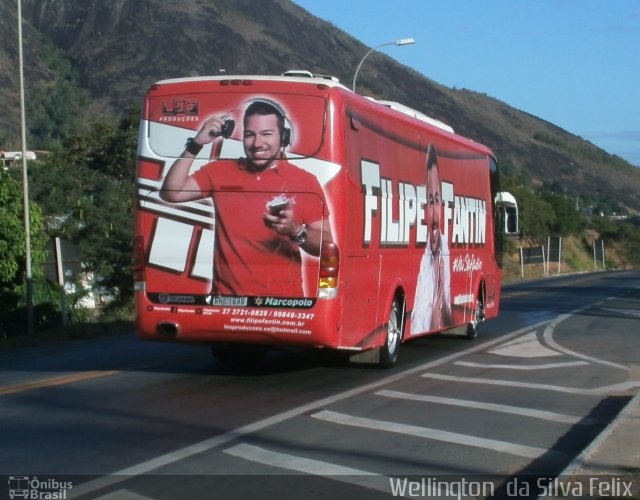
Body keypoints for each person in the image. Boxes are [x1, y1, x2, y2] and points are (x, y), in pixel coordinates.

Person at [160, 100, 333, 297]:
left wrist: (296, 231)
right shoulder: (219, 171)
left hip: (283, 308)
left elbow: (326, 245)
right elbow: (171, 192)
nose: (257, 143)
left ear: (284, 137)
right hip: (225, 304)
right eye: (250, 135)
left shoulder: (305, 182)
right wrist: (196, 144)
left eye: (267, 134)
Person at [411, 145, 452, 333]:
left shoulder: (444, 252)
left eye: (436, 200)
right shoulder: (422, 262)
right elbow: (418, 326)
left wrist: (442, 293)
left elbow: (448, 320)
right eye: (429, 201)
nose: (434, 214)